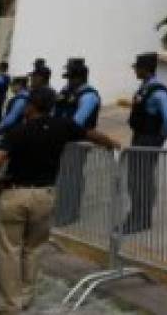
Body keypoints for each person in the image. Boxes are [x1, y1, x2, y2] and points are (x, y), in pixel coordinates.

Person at [0, 86, 119, 314]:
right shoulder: (63, 126)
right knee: (34, 248)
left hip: (15, 193)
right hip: (45, 195)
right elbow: (90, 133)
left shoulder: (18, 131)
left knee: (9, 250)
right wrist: (112, 145)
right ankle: (26, 296)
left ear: (31, 106)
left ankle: (10, 304)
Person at [120, 52, 167, 234]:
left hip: (149, 138)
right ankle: (137, 214)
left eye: (137, 68)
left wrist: (161, 136)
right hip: (140, 136)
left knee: (142, 179)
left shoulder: (158, 91)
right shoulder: (145, 87)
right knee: (135, 179)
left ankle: (142, 218)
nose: (135, 70)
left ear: (145, 69)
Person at [51, 58, 101, 227]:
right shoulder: (66, 91)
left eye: (71, 77)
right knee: (62, 177)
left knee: (72, 178)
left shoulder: (89, 96)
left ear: (80, 78)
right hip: (63, 141)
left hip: (77, 142)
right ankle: (61, 210)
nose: (68, 81)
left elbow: (77, 122)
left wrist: (58, 131)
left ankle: (70, 214)